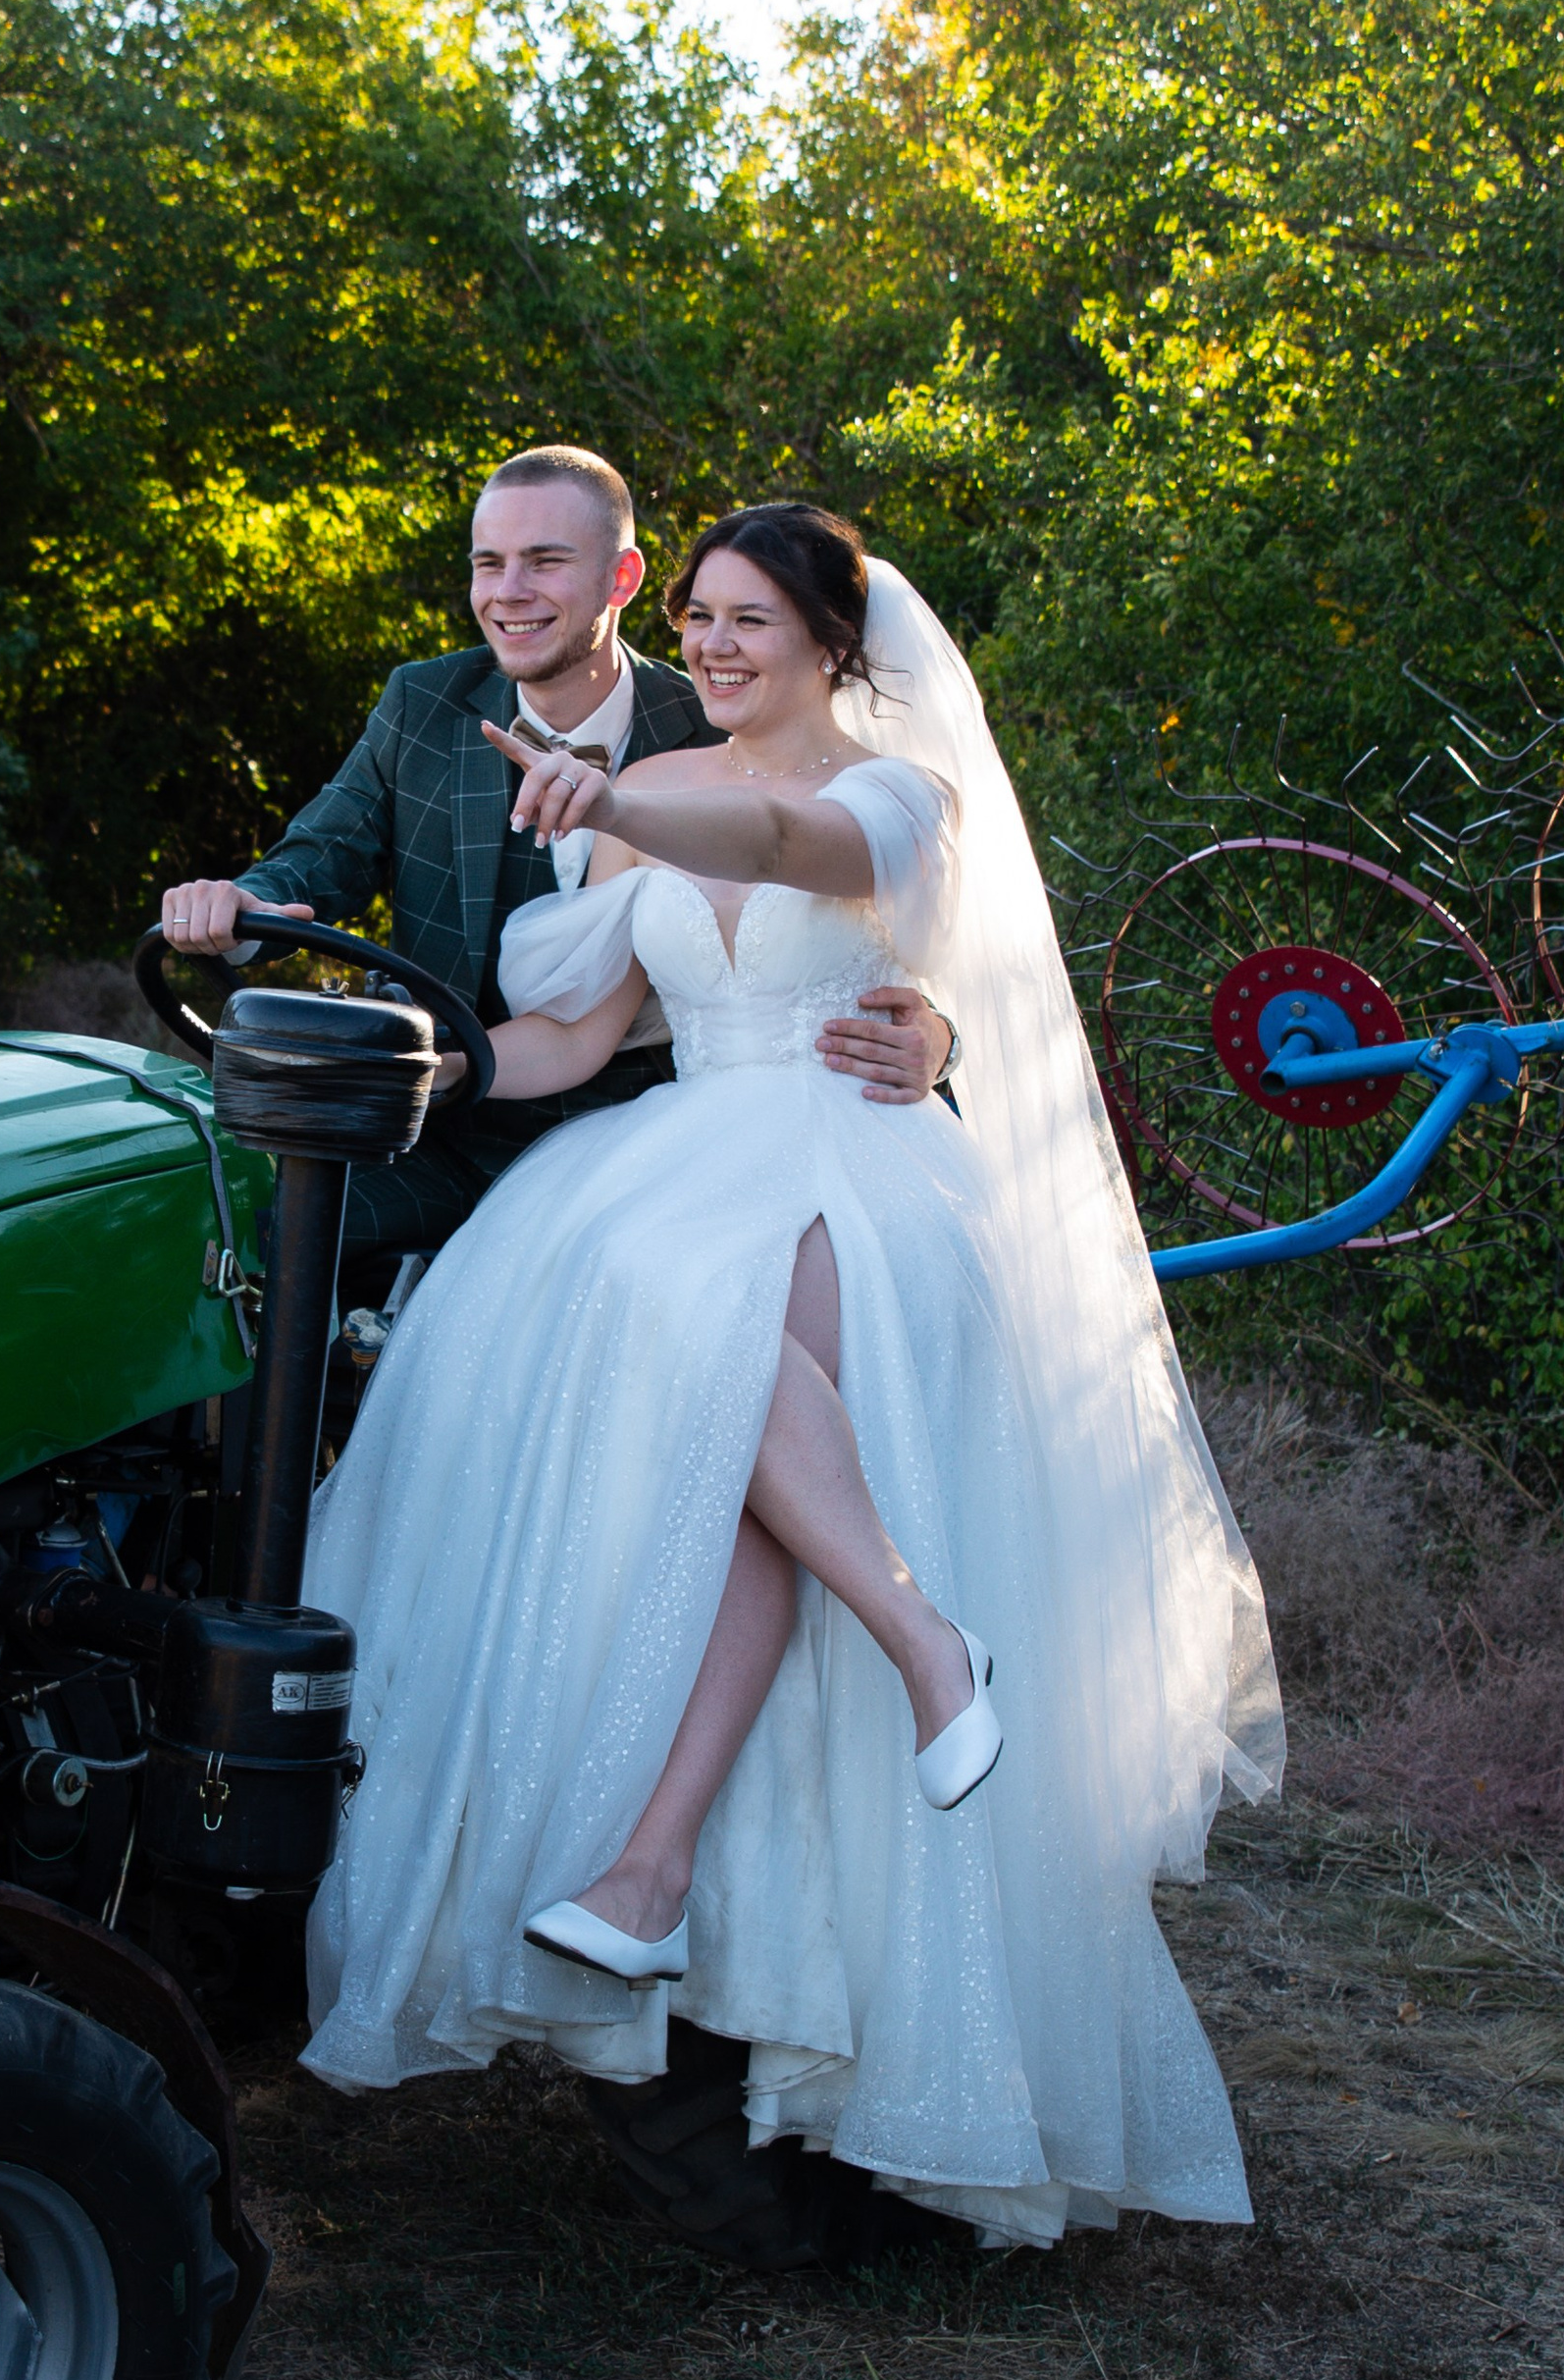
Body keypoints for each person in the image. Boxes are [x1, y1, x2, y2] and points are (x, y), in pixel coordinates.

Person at [299, 502, 1282, 2250]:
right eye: (700, 616)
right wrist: (426, 1073)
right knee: (716, 1367)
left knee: (729, 1331)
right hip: (690, 1151)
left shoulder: (895, 798)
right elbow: (576, 1035)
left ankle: (682, 1845)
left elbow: (780, 839)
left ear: (837, 641)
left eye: (753, 618)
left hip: (859, 1160)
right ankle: (845, 1709)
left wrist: (612, 804)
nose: (717, 644)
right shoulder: (649, 802)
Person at [157, 445, 954, 1286]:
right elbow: (321, 855)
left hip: (643, 1139)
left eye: (544, 562)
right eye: (488, 563)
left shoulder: (722, 715)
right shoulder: (426, 704)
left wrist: (941, 1038)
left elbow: (841, 902)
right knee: (230, 1216)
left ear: (622, 579)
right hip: (445, 1131)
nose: (509, 591)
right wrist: (243, 910)